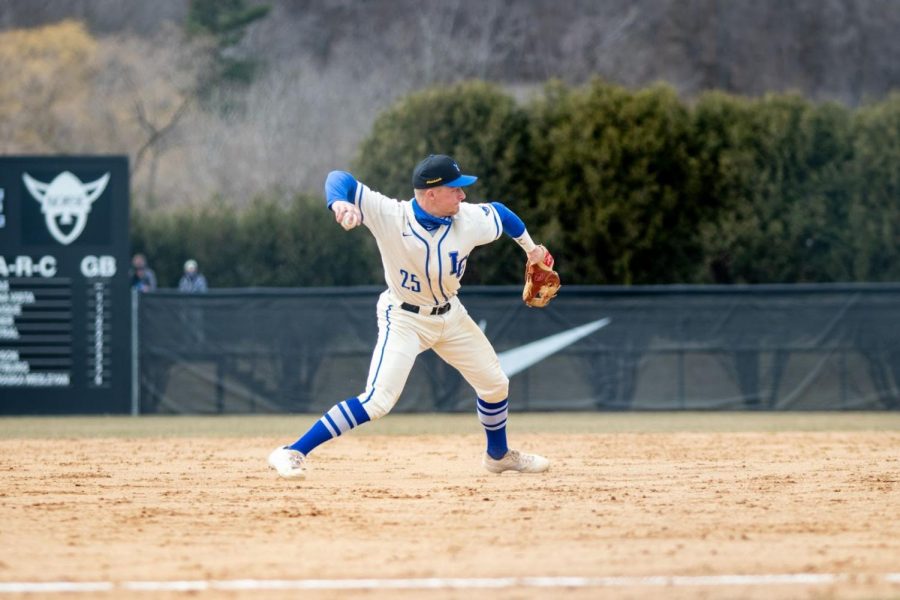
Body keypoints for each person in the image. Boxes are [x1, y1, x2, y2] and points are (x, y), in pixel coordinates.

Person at [268, 154, 552, 478]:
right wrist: (338, 204)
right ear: (431, 194)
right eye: (455, 189)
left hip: (451, 315)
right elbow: (338, 178)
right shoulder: (390, 215)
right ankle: (291, 451)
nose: (463, 195)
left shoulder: (468, 219)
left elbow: (501, 214)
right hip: (404, 318)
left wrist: (532, 249)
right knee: (378, 401)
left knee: (495, 384)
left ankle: (498, 455)